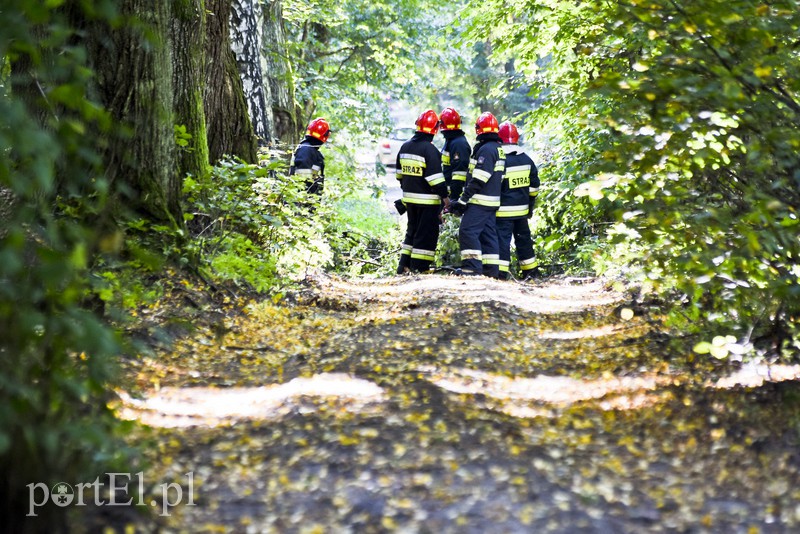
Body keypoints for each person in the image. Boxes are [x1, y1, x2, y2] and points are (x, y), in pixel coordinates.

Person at [448, 111, 505, 278]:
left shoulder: (486, 150)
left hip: (480, 201)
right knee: (488, 236)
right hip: (491, 201)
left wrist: (463, 200)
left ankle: (472, 268)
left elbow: (480, 178)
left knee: (467, 231)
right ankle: (490, 270)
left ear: (479, 129)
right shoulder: (497, 148)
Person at [395, 109, 450, 274]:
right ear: (435, 129)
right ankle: (420, 269)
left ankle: (403, 266)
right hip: (428, 202)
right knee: (425, 235)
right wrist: (446, 198)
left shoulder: (405, 147)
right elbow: (435, 179)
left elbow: (399, 175)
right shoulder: (430, 150)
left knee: (411, 232)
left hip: (410, 200)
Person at [496, 121, 540, 280]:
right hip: (522, 211)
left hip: (502, 212)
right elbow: (534, 187)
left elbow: (494, 187)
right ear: (517, 138)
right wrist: (530, 206)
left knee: (502, 242)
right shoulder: (527, 159)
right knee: (524, 241)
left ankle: (501, 275)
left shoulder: (499, 160)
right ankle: (531, 274)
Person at [289, 118, 331, 196]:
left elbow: (313, 176)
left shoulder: (311, 151)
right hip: (301, 201)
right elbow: (302, 179)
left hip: (307, 201)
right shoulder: (306, 150)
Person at [439, 107, 471, 202]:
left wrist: (454, 198)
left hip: (454, 196)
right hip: (449, 194)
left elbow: (460, 173)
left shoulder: (458, 144)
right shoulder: (451, 141)